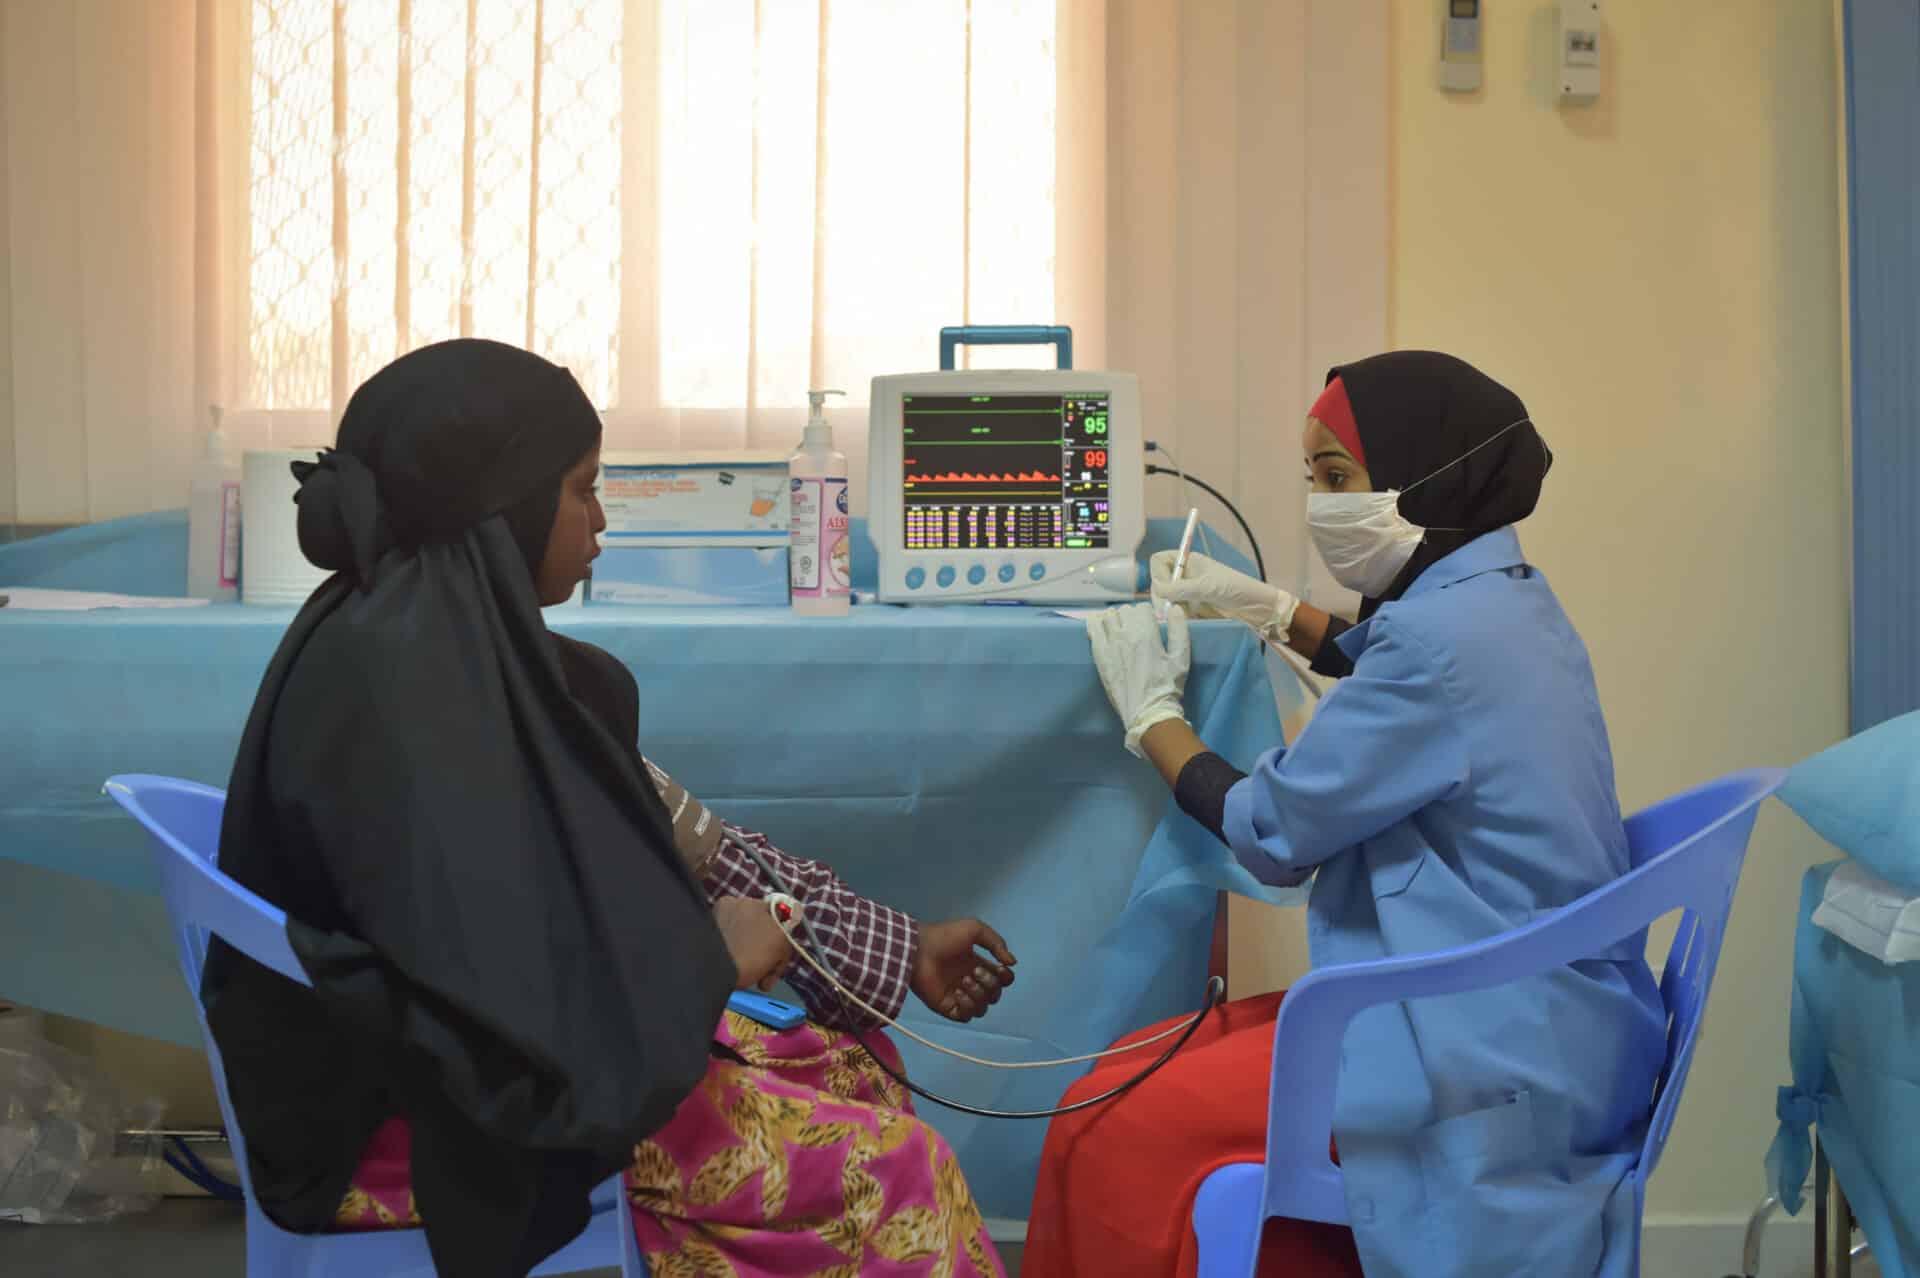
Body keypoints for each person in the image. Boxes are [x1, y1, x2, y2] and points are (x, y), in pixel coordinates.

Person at [204, 339, 1012, 1278]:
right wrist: (706, 960)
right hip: (418, 1122)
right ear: (502, 508)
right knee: (899, 1165)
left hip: (474, 1075)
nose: (601, 521)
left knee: (857, 1062)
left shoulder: (478, 666)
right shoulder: (404, 702)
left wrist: (897, 948)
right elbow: (491, 999)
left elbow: (679, 843)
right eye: (583, 489)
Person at [1024, 351, 1667, 1278]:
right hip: (1550, 1016)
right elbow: (1396, 679)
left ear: (1428, 477)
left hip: (1475, 1052)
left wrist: (1153, 716)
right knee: (1126, 1063)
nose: (1321, 504)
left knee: (1104, 1112)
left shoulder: (1436, 646)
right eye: (1313, 478)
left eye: (1338, 479)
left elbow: (1271, 832)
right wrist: (1269, 609)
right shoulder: (1505, 602)